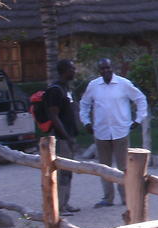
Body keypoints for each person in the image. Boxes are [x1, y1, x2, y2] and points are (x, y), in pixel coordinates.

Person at [79, 58, 148, 208]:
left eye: (108, 68)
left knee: (124, 166)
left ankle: (126, 197)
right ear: (99, 71)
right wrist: (86, 122)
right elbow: (84, 104)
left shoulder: (123, 84)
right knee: (105, 167)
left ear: (112, 68)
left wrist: (138, 119)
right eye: (102, 69)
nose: (105, 71)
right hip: (101, 132)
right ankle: (108, 198)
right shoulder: (94, 85)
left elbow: (140, 99)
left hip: (120, 131)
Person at [44, 59, 80, 214]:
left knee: (68, 171)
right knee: (61, 171)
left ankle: (65, 202)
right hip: (61, 138)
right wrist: (66, 136)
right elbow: (54, 115)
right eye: (72, 68)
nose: (74, 71)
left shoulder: (66, 88)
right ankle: (59, 205)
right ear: (65, 70)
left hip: (70, 135)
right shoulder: (55, 90)